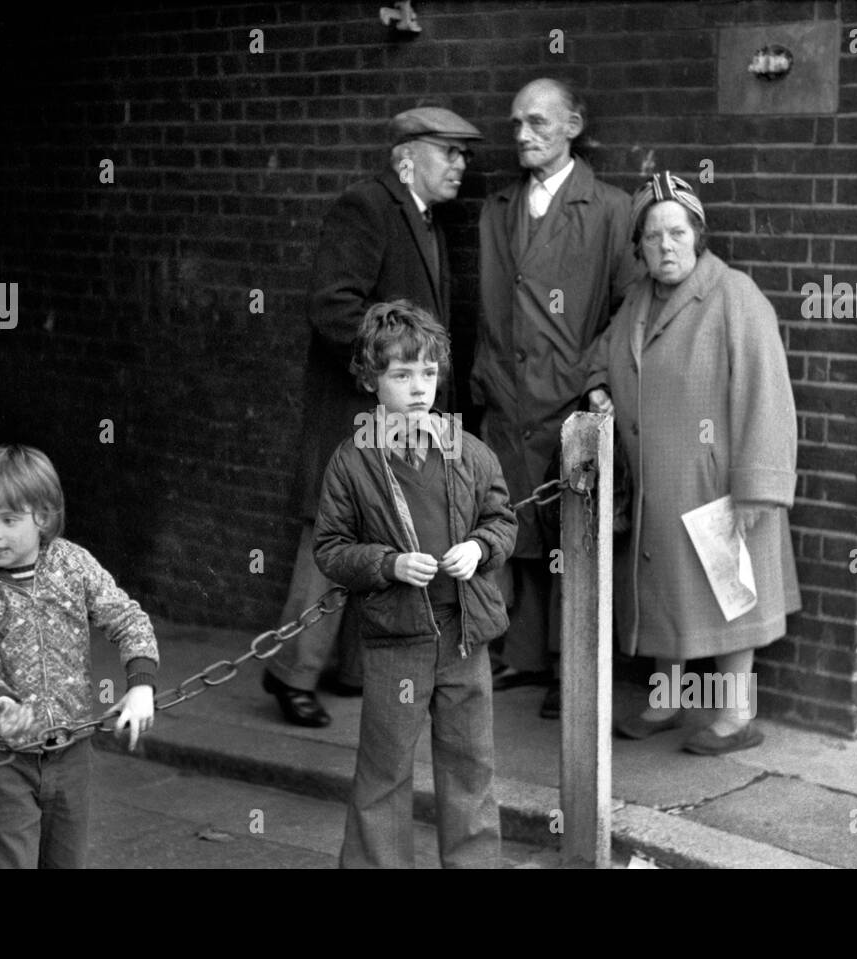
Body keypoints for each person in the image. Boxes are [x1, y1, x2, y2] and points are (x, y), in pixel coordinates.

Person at [264, 106, 484, 728]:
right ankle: (290, 673)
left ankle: (349, 669)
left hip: (396, 419)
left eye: (464, 154)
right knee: (330, 543)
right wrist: (388, 375)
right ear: (407, 157)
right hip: (356, 413)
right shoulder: (367, 206)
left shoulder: (422, 220)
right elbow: (332, 306)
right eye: (451, 152)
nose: (461, 164)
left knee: (381, 537)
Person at [585, 172, 800, 755]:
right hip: (658, 485)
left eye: (676, 232)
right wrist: (601, 385)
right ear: (639, 247)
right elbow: (601, 356)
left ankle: (735, 716)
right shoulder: (636, 300)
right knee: (663, 594)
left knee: (732, 599)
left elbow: (768, 397)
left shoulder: (735, 297)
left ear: (697, 235)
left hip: (717, 486)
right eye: (652, 237)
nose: (665, 247)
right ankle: (668, 700)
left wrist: (759, 488)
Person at [313, 300, 516, 868]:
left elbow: (502, 522)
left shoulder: (469, 452)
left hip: (463, 638)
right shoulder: (352, 462)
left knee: (471, 767)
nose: (419, 387)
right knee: (384, 771)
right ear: (371, 381)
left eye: (428, 372)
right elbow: (329, 548)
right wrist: (388, 564)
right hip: (395, 640)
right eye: (401, 375)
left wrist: (479, 548)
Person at [472, 78, 636, 718]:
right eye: (515, 124)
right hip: (506, 397)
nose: (522, 135)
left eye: (538, 123)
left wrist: (593, 377)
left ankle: (574, 668)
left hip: (569, 399)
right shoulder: (498, 207)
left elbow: (626, 308)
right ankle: (527, 656)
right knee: (517, 526)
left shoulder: (612, 209)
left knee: (574, 537)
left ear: (573, 124)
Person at [0, 444, 159, 868]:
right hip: (3, 758)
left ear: (42, 517)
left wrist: (141, 688)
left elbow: (128, 619)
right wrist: (2, 702)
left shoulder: (72, 565)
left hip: (72, 752)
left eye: (8, 520)